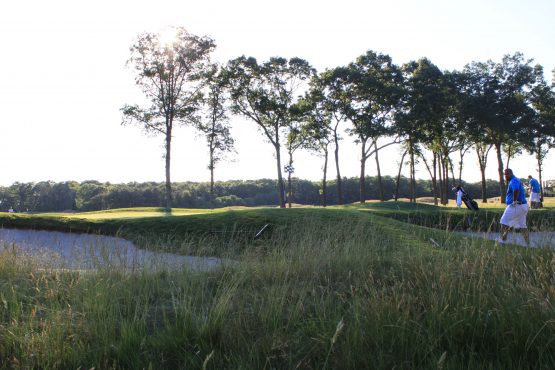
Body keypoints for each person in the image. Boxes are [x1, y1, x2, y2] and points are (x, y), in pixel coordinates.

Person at [498, 168, 529, 246]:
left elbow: (516, 190)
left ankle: (502, 241)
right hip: (523, 206)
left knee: (504, 222)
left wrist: (514, 201)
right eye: (504, 175)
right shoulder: (516, 180)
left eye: (506, 174)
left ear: (510, 173)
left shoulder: (513, 180)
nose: (505, 176)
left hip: (516, 205)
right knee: (522, 225)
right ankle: (528, 244)